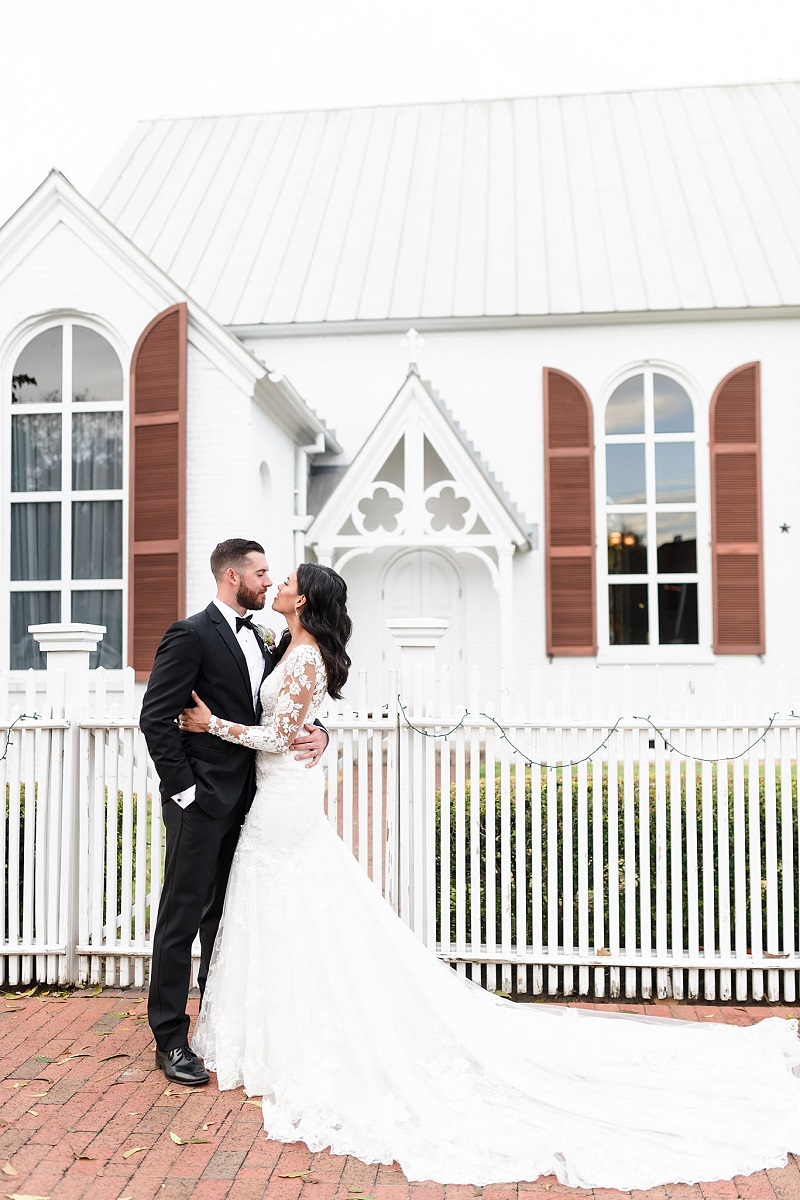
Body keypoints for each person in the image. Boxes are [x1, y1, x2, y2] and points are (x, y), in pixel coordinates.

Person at [180, 562, 800, 1188]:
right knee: (292, 917)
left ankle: (295, 1033)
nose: (277, 584)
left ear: (305, 598)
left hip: (284, 803)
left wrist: (215, 726)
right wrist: (319, 733)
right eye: (272, 576)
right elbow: (297, 724)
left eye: (286, 580)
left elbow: (282, 734)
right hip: (281, 798)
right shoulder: (284, 643)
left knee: (294, 908)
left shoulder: (306, 658)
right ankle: (280, 1026)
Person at [140, 539, 329, 1086]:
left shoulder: (270, 638)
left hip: (254, 799)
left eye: (274, 575)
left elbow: (285, 709)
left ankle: (219, 1024)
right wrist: (184, 793)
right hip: (200, 802)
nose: (270, 582)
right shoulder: (190, 634)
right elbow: (156, 718)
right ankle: (170, 1039)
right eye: (262, 572)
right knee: (182, 915)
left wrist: (321, 733)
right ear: (231, 575)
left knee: (225, 917)